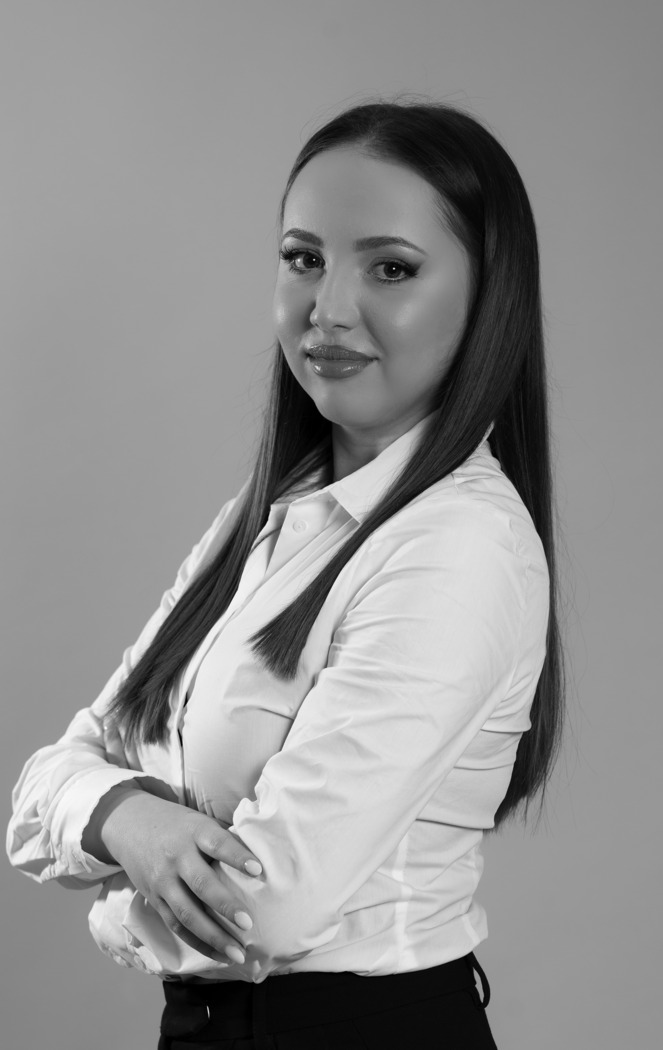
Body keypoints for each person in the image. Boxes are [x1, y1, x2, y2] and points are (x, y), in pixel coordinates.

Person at [7, 99, 564, 1049]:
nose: (328, 309)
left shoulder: (461, 546)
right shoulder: (270, 512)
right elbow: (42, 786)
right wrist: (132, 824)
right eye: (304, 258)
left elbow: (263, 910)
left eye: (391, 268)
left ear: (488, 298)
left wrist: (110, 888)